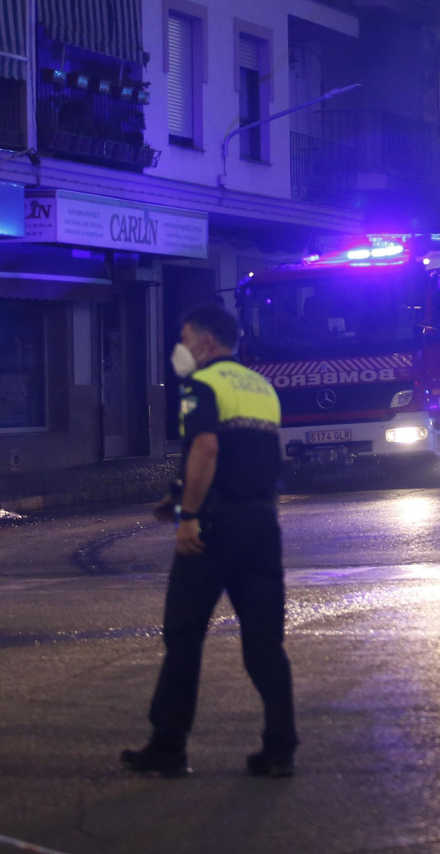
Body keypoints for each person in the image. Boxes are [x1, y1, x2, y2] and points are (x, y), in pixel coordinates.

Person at [122, 303, 298, 778]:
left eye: (184, 337)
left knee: (184, 635)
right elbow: (248, 457)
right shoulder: (261, 387)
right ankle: (280, 748)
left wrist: (189, 515)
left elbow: (207, 448)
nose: (181, 348)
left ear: (206, 342)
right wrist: (178, 494)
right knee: (264, 643)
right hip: (262, 526)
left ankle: (169, 747)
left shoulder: (202, 385)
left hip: (215, 529)